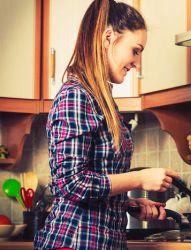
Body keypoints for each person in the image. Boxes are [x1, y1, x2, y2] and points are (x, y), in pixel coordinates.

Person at [34, 0, 179, 249]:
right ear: (108, 37)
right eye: (135, 50)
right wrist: (139, 179)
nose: (137, 63)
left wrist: (127, 205)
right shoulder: (76, 95)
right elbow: (72, 183)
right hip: (74, 242)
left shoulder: (100, 100)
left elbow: (93, 186)